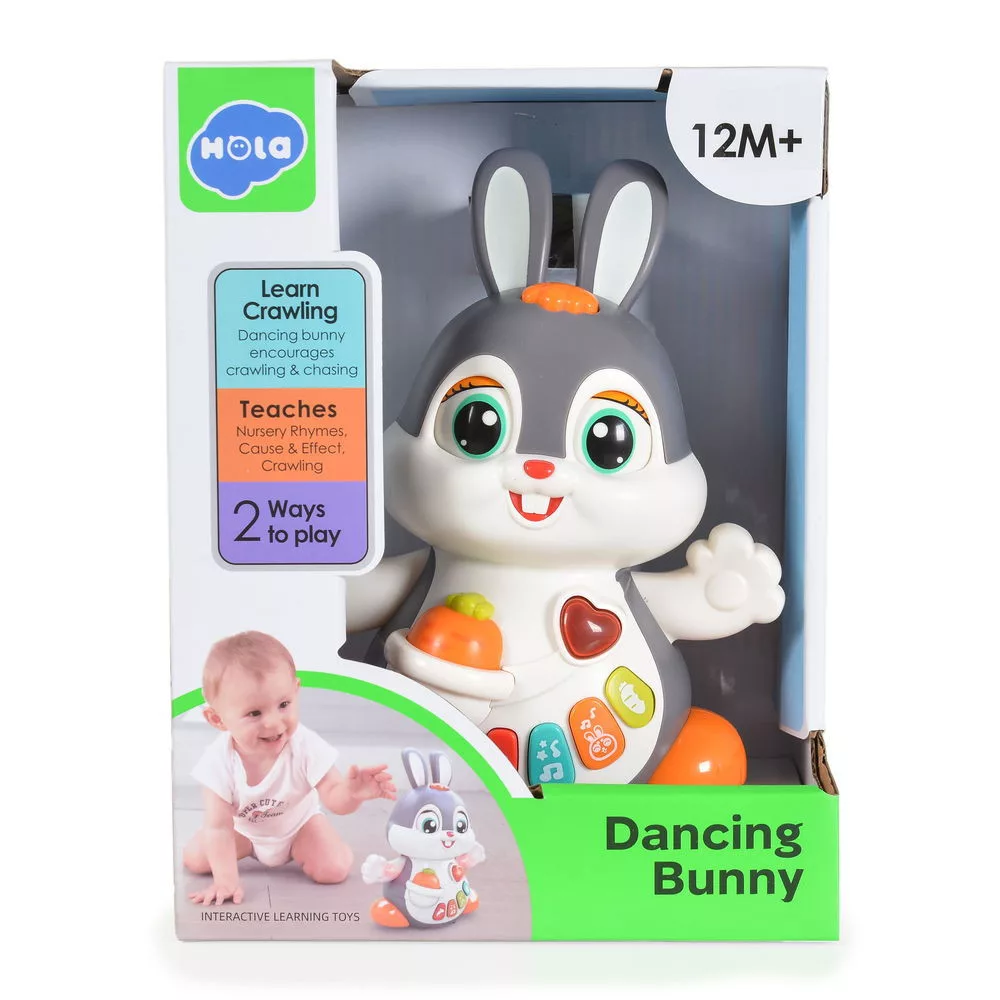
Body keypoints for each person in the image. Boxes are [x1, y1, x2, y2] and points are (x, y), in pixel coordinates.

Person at [183, 631, 396, 905]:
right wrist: (226, 881)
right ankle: (244, 850)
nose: (273, 723)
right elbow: (220, 828)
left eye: (283, 704)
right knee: (195, 859)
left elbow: (334, 797)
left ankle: (309, 846)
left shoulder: (304, 745)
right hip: (243, 832)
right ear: (217, 719)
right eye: (254, 713)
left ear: (296, 691)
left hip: (299, 826)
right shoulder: (218, 762)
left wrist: (351, 793)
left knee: (334, 868)